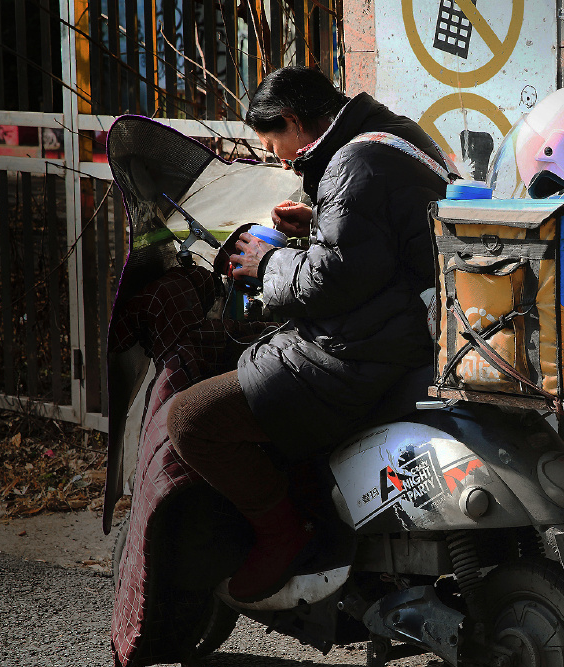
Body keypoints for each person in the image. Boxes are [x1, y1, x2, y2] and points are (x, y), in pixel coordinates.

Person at [166, 66, 449, 603]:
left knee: (188, 419)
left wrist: (264, 263)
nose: (277, 156)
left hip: (358, 353)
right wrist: (320, 220)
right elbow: (378, 240)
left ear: (294, 121)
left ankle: (282, 536)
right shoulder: (396, 135)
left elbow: (336, 276)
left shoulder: (352, 161)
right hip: (398, 333)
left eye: (273, 141)